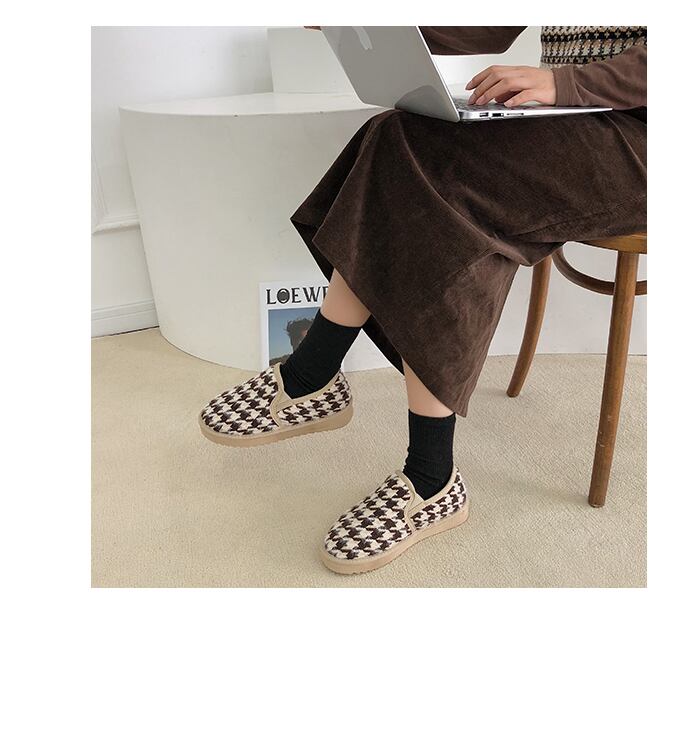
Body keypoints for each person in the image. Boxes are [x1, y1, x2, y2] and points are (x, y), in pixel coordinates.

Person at [199, 26, 647, 575]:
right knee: (396, 133)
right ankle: (423, 470)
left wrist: (566, 83)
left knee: (439, 174)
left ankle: (324, 382)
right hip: (573, 115)